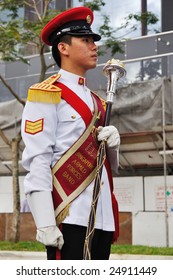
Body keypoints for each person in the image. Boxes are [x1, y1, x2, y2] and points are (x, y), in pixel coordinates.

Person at [21, 6, 120, 260]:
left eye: (94, 41)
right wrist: (44, 222)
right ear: (63, 48)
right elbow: (37, 160)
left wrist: (113, 147)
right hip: (70, 214)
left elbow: (109, 168)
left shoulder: (99, 102)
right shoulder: (46, 94)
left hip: (102, 217)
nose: (94, 46)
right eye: (85, 40)